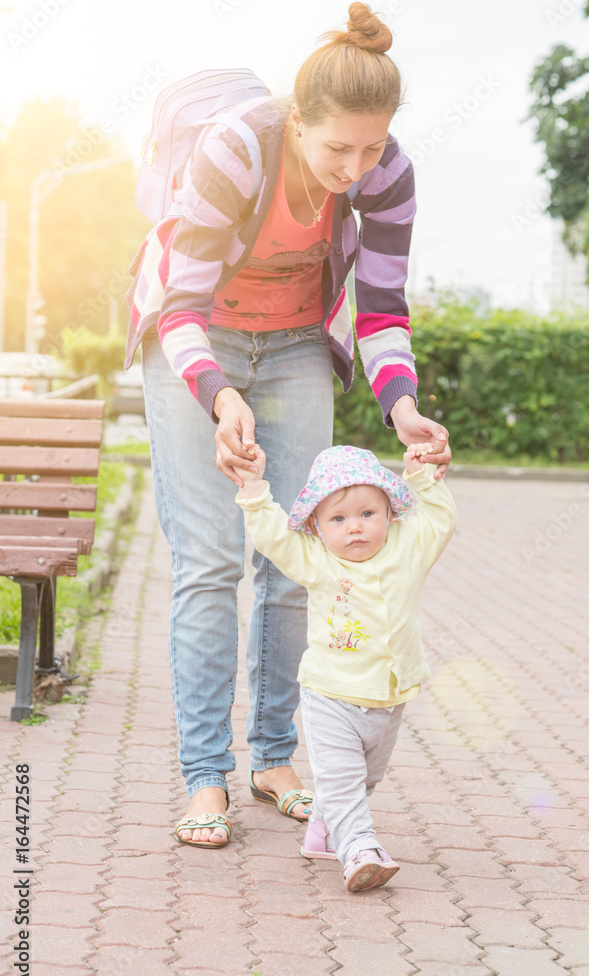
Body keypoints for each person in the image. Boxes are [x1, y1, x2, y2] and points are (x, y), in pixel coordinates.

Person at [127, 3, 452, 848]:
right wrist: (215, 394)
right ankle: (206, 776)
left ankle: (274, 759)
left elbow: (380, 309)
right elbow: (181, 300)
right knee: (208, 562)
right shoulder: (236, 148)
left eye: (372, 146)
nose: (355, 167)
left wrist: (404, 407)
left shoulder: (388, 174)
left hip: (299, 339)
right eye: (337, 147)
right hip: (196, 337)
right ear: (294, 119)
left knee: (294, 560)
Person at [235, 443, 458, 890]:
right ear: (316, 526)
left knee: (366, 779)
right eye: (338, 519)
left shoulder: (408, 548)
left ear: (390, 514)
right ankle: (358, 848)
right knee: (342, 780)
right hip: (330, 694)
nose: (354, 528)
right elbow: (275, 537)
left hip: (388, 698)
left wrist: (421, 481)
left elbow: (439, 522)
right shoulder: (318, 559)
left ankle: (322, 833)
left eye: (367, 514)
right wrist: (255, 491)